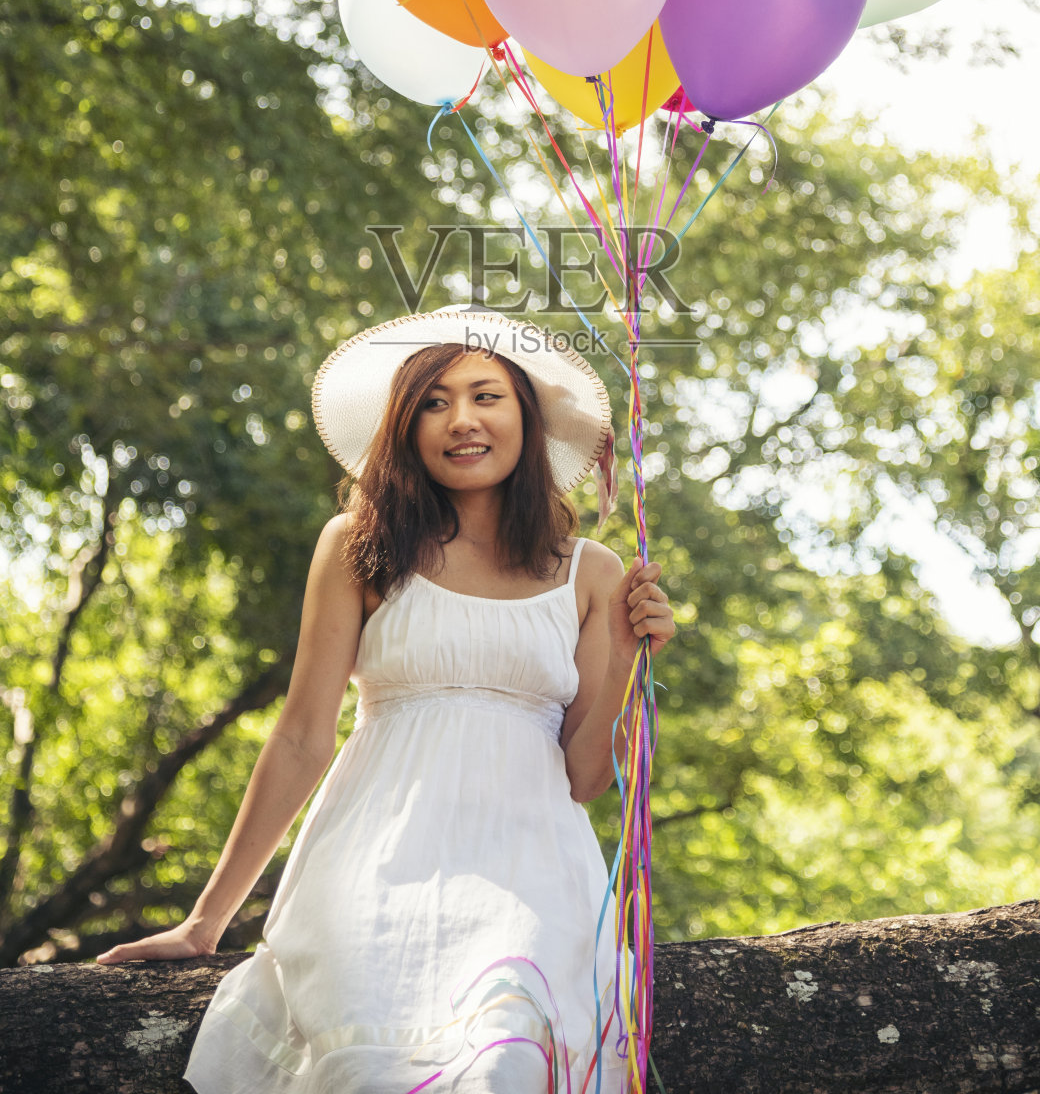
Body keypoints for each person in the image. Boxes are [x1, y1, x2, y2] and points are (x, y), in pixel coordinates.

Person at [97, 306, 675, 1093]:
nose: (461, 420)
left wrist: (626, 661)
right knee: (366, 1063)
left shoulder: (592, 572)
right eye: (433, 402)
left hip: (533, 870)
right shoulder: (358, 543)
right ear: (405, 427)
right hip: (374, 861)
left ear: (526, 418)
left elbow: (584, 779)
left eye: (485, 396)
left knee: (508, 1053)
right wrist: (206, 923)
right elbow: (302, 736)